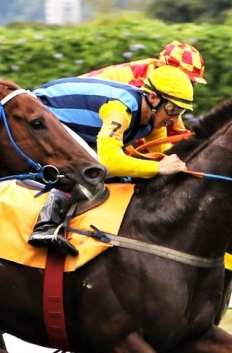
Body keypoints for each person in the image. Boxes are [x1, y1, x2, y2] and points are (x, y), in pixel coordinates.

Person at [27, 66, 194, 256]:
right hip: (40, 117)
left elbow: (165, 160)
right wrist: (158, 167)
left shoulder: (154, 120)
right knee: (93, 168)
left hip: (68, 127)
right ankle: (45, 225)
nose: (174, 119)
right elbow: (111, 163)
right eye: (172, 108)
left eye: (180, 111)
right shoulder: (120, 110)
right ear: (154, 97)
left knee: (129, 175)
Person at [81, 40, 207, 139]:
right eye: (187, 80)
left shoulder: (157, 74)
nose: (187, 86)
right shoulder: (146, 85)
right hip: (80, 107)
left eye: (192, 83)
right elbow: (145, 131)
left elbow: (176, 130)